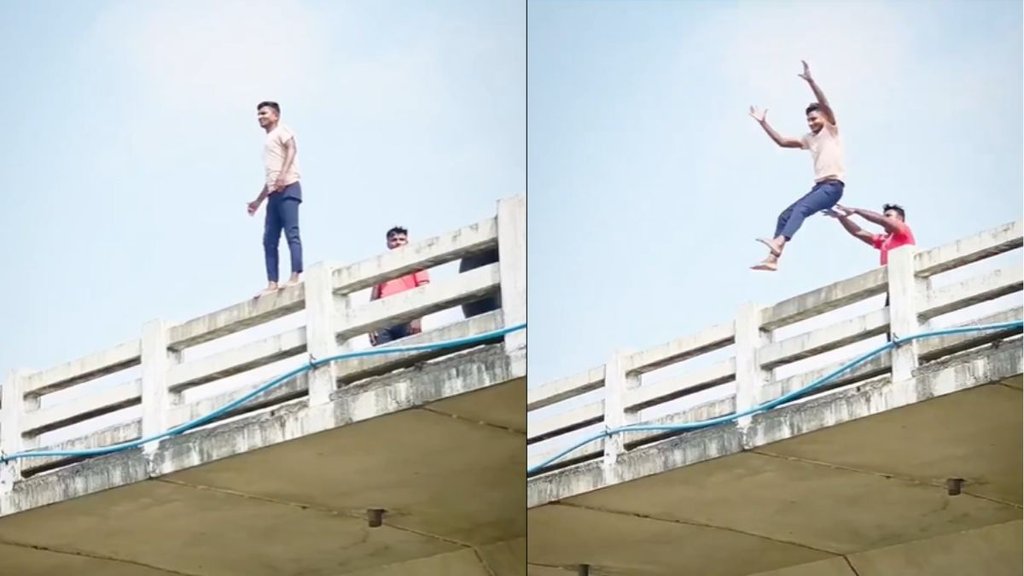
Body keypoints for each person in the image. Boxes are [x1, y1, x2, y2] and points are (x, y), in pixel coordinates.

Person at [749, 61, 846, 272]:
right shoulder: (809, 138)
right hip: (820, 188)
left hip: (833, 187)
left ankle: (779, 242)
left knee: (800, 209)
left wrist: (811, 81)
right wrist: (764, 123)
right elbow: (782, 142)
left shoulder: (830, 129)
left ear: (823, 117)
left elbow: (825, 103)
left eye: (813, 118)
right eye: (808, 120)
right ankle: (772, 259)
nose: (810, 123)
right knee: (784, 216)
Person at [827, 203, 916, 341]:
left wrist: (856, 209)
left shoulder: (903, 231)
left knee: (906, 318)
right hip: (892, 285)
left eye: (888, 216)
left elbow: (881, 220)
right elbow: (859, 232)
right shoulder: (885, 240)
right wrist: (842, 218)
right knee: (891, 322)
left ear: (900, 220)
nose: (884, 218)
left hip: (905, 281)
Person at [247, 101, 303, 297]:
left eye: (264, 113)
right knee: (269, 239)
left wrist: (284, 174)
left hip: (289, 187)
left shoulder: (282, 130)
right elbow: (270, 178)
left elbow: (292, 148)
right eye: (258, 114)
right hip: (274, 193)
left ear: (275, 115)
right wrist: (258, 201)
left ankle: (295, 275)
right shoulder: (267, 141)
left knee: (291, 233)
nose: (260, 117)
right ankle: (272, 283)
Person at [369, 226, 431, 346]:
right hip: (384, 318)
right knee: (385, 358)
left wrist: (417, 319)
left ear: (407, 242)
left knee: (412, 357)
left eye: (401, 240)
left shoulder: (415, 263)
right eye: (394, 240)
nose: (398, 243)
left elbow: (424, 291)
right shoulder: (381, 267)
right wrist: (371, 326)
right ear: (388, 243)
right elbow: (374, 298)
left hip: (408, 315)